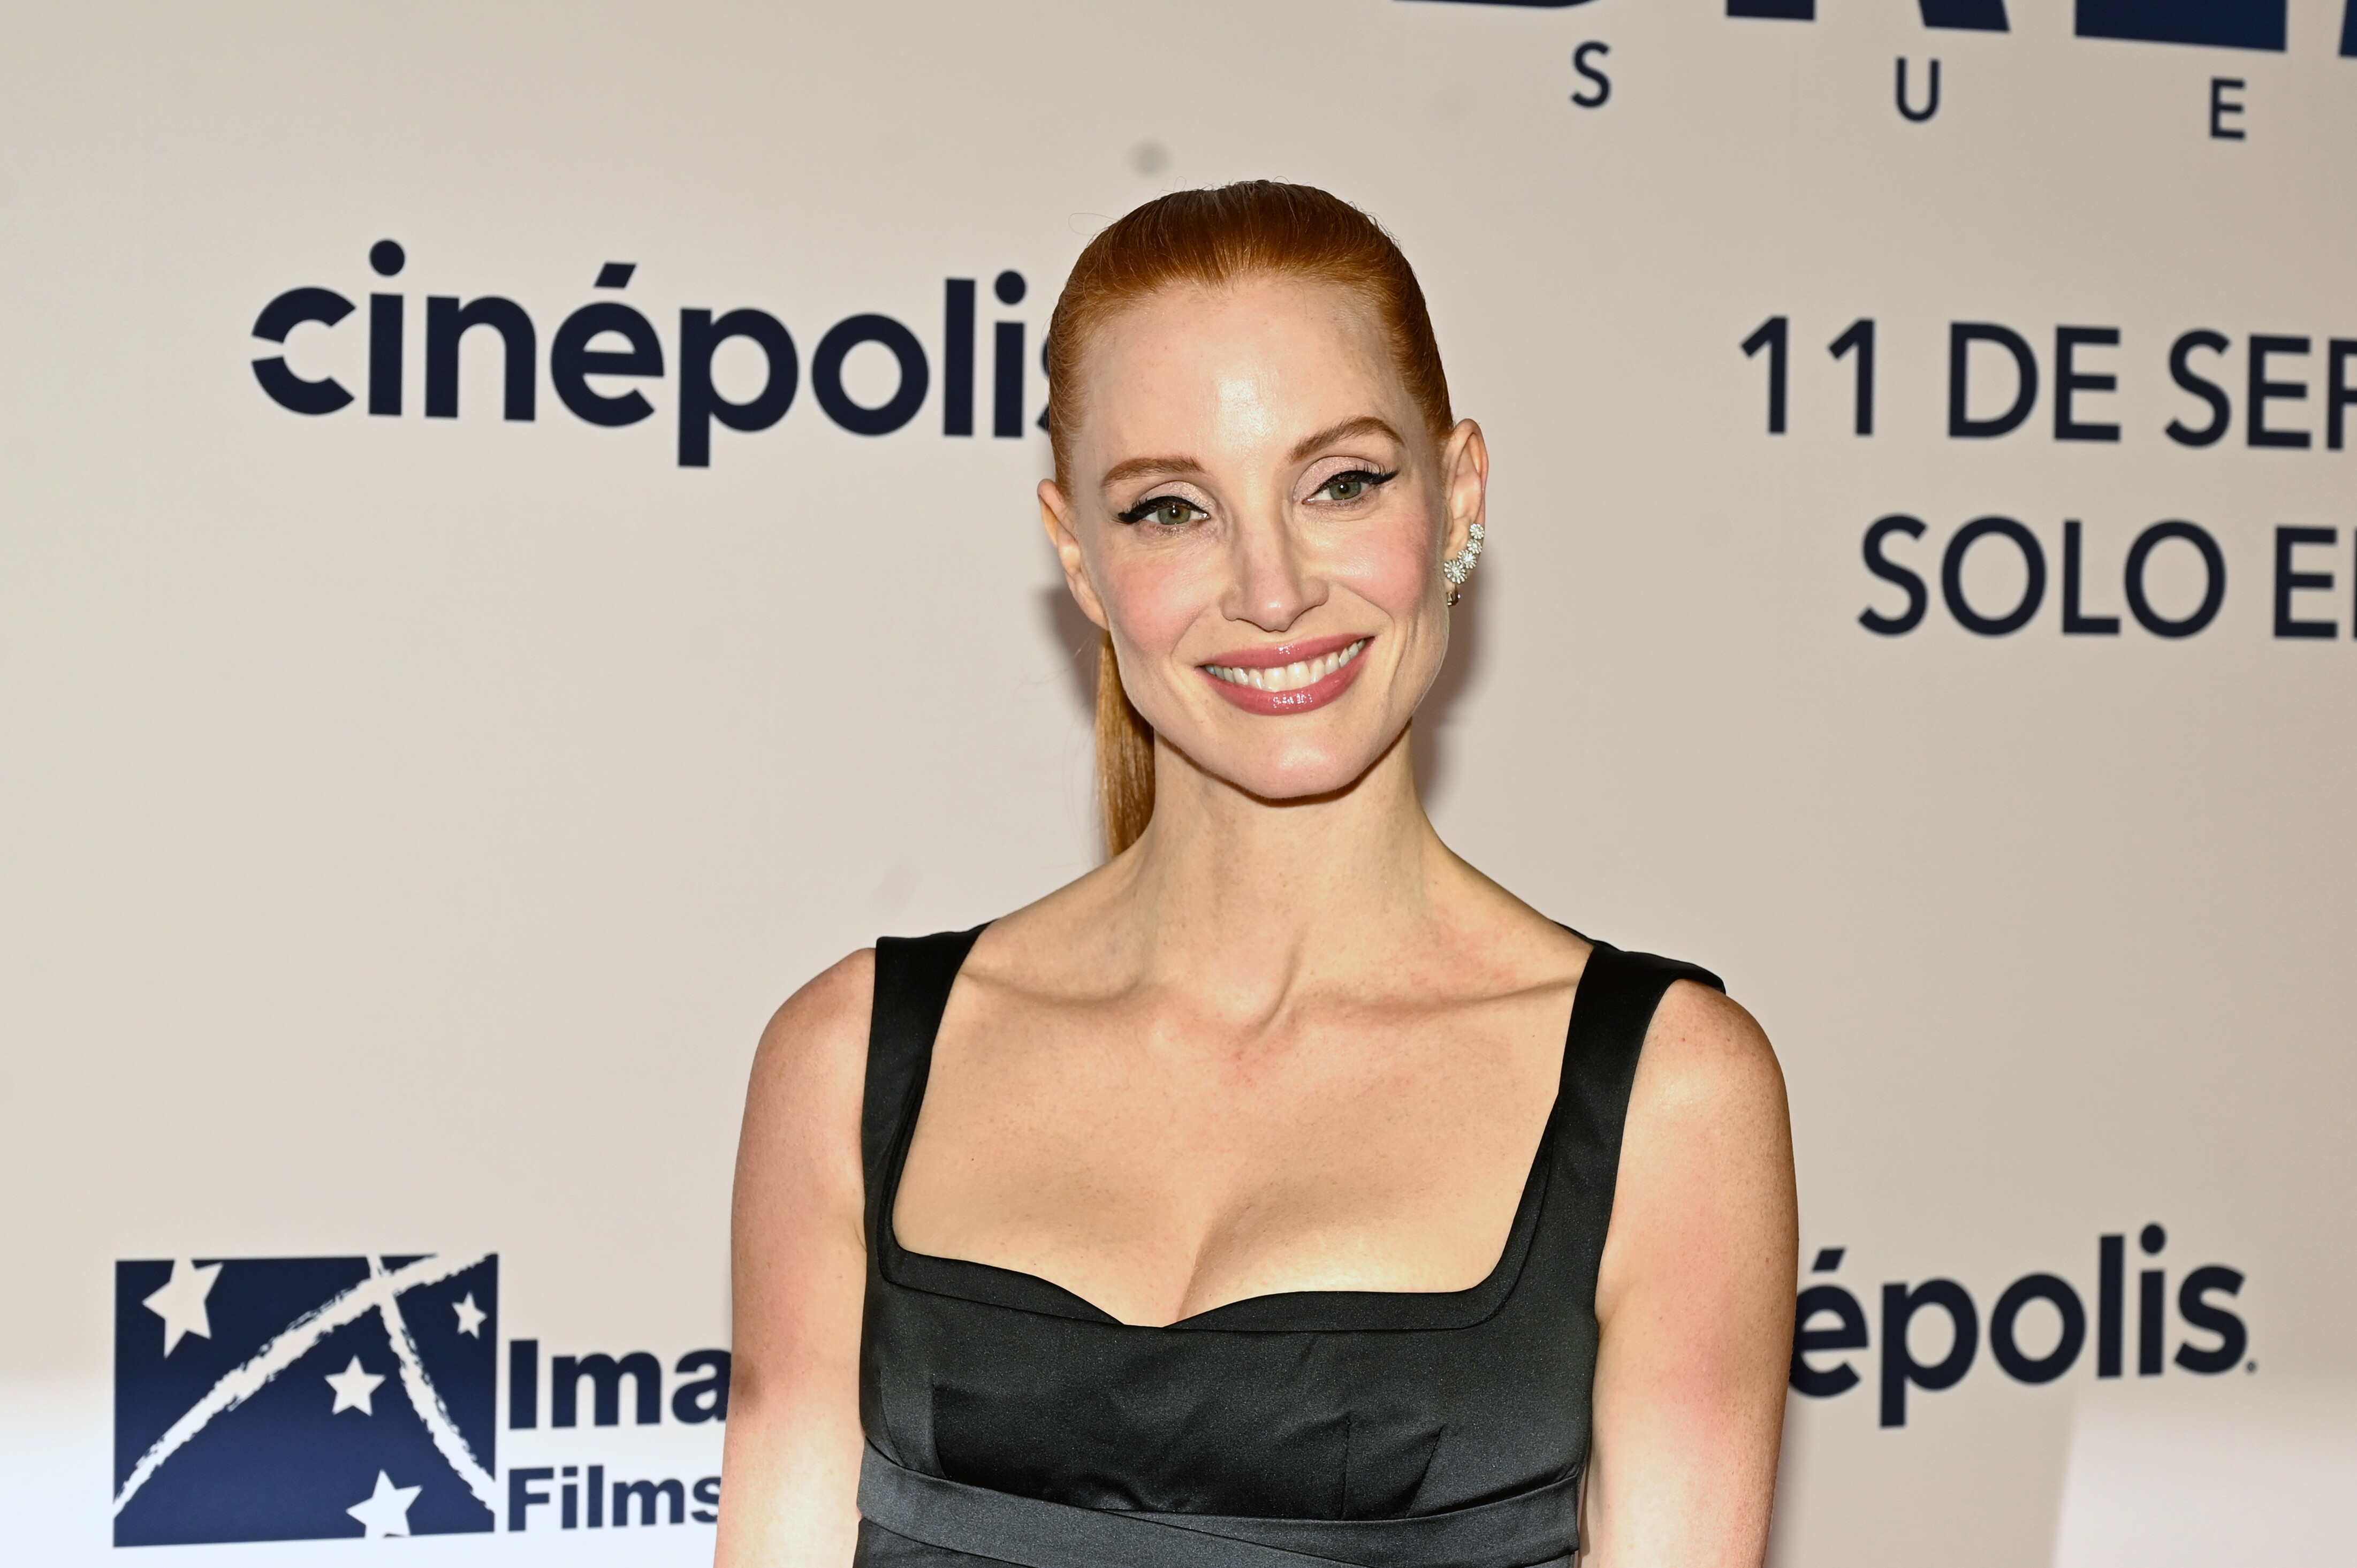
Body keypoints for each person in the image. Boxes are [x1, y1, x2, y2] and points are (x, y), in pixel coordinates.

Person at [718, 181, 1797, 1568]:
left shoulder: (1669, 1094)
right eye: (1172, 509)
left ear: (1459, 495)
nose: (1272, 590)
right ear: (1079, 558)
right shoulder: (846, 1058)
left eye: (1342, 483)